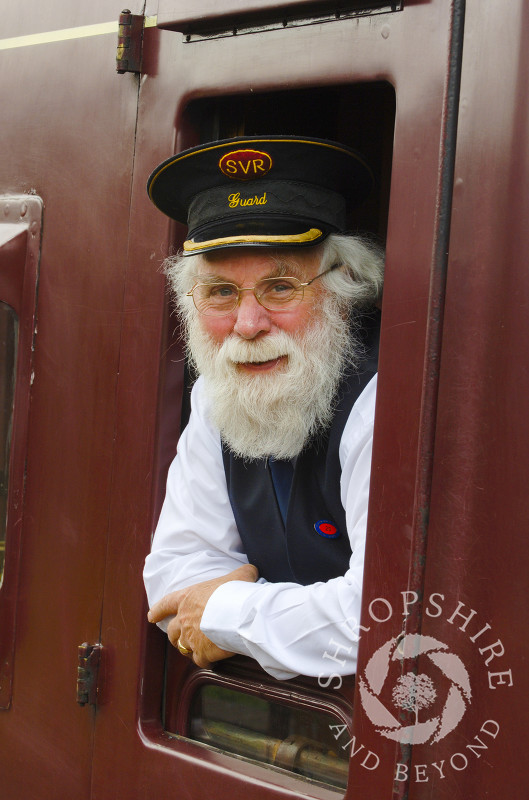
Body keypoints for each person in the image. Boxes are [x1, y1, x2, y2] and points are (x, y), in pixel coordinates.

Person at [143, 136, 384, 680]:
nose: (247, 326)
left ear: (344, 291)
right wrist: (278, 621)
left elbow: (379, 619)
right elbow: (173, 578)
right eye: (221, 294)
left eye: (279, 288)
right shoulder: (219, 390)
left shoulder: (383, 398)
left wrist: (227, 612)